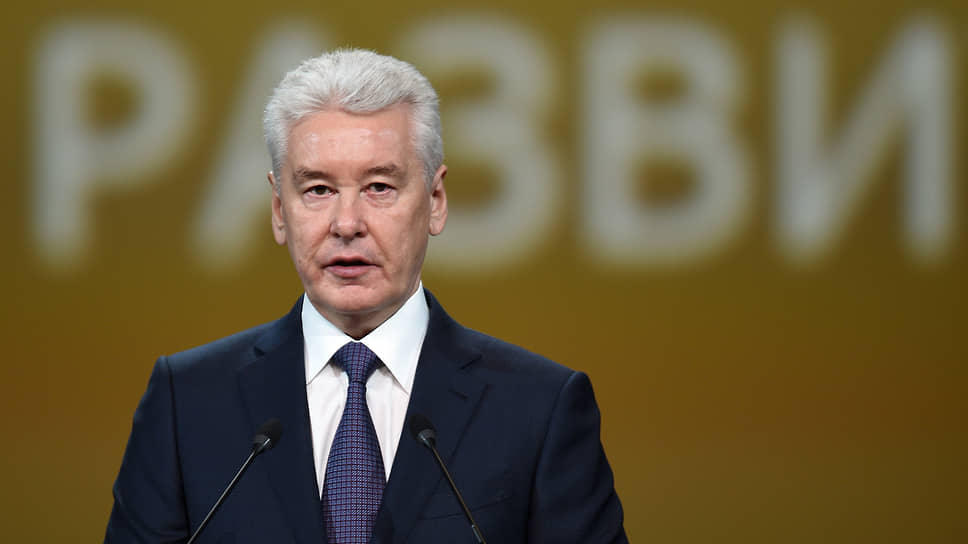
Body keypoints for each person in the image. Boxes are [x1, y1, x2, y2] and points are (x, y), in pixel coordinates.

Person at [105, 48, 626, 543]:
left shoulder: (539, 408)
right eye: (318, 189)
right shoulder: (187, 403)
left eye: (379, 187)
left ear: (436, 200)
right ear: (279, 210)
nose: (347, 223)